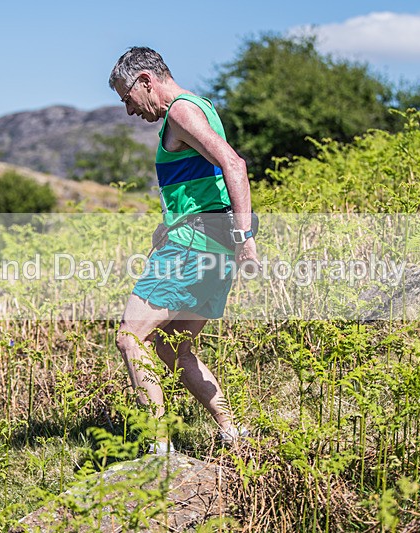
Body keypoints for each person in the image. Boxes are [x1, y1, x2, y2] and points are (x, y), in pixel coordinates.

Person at [108, 47, 260, 453]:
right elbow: (204, 184)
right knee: (172, 345)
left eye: (127, 97)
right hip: (211, 243)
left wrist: (246, 237)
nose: (129, 110)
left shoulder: (179, 111)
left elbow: (234, 163)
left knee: (131, 338)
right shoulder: (201, 106)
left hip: (194, 244)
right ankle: (232, 430)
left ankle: (159, 452)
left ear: (146, 80)